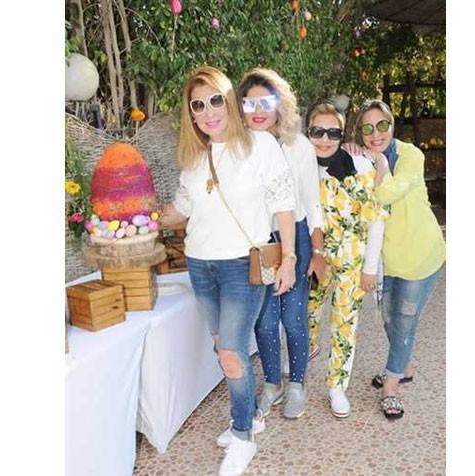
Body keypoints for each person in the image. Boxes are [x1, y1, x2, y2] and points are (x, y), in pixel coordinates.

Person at [160, 66, 297, 476]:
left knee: (231, 353)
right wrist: (141, 216)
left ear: (230, 101)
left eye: (215, 100)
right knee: (224, 345)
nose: (208, 112)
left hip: (242, 266)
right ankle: (251, 415)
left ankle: (243, 435)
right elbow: (181, 209)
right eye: (197, 105)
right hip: (200, 266)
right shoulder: (194, 157)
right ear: (191, 113)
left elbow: (283, 206)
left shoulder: (260, 145)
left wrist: (289, 258)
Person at [237, 68, 325, 420]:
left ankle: (297, 384)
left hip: (296, 237)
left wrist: (316, 251)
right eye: (250, 103)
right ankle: (272, 384)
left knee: (293, 316)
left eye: (267, 102)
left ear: (280, 105)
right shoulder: (238, 148)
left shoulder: (297, 146)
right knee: (264, 320)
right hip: (258, 242)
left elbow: (312, 202)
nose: (259, 111)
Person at [352, 99, 446, 420]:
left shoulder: (410, 155)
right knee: (388, 319)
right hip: (387, 260)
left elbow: (387, 193)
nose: (375, 133)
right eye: (367, 128)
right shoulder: (362, 159)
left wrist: (380, 162)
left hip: (420, 255)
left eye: (382, 125)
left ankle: (391, 387)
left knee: (405, 320)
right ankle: (403, 366)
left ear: (392, 125)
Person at [305, 99, 388, 418]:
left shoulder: (362, 166)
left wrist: (370, 269)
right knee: (306, 313)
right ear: (308, 132)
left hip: (352, 261)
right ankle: (307, 352)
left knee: (344, 324)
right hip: (315, 257)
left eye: (333, 133)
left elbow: (376, 219)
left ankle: (337, 387)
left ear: (342, 136)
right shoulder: (301, 167)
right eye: (317, 132)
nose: (325, 139)